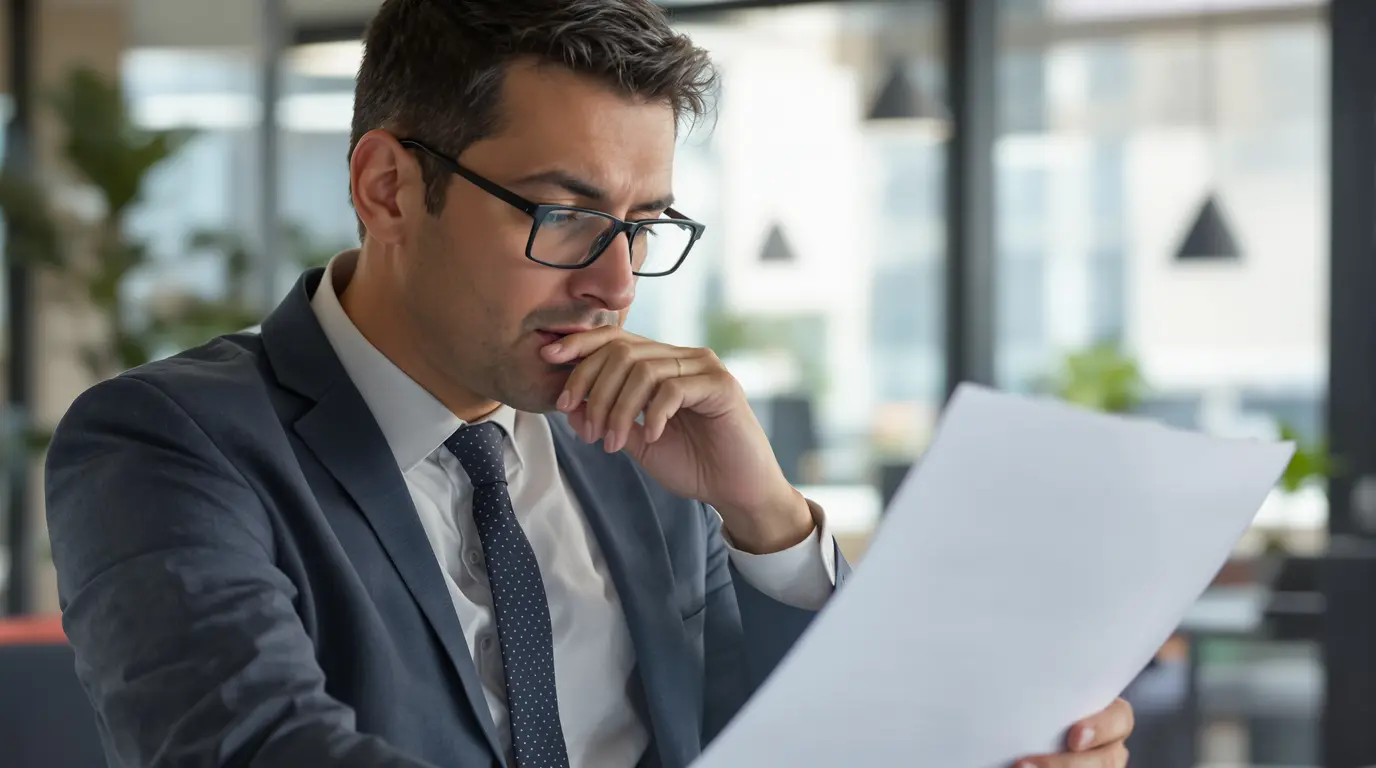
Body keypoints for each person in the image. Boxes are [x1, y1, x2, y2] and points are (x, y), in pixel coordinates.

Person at [44, 1, 1135, 766]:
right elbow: (253, 750)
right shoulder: (169, 441)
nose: (616, 281)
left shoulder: (647, 451)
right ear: (386, 187)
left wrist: (764, 521)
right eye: (563, 215)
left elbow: (776, 743)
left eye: (644, 224)